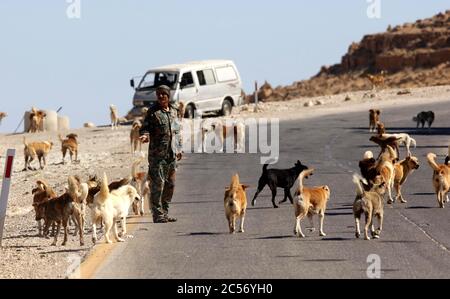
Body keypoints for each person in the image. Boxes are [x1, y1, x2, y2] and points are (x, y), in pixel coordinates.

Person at [139, 85, 183, 223]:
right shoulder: (152, 113)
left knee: (170, 185)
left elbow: (177, 132)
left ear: (168, 96)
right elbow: (144, 129)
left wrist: (179, 148)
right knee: (158, 185)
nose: (161, 96)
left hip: (171, 155)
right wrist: (145, 136)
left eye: (164, 94)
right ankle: (157, 214)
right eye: (159, 94)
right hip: (157, 156)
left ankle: (165, 212)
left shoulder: (175, 111)